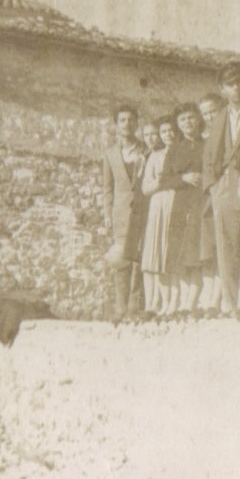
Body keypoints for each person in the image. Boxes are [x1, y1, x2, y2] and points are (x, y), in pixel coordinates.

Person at [203, 62, 240, 318]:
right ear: (222, 89)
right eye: (230, 84)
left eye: (239, 82)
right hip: (223, 182)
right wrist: (212, 185)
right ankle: (229, 300)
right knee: (225, 243)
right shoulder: (220, 117)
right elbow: (209, 153)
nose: (236, 87)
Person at [102, 105, 145, 322]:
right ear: (116, 125)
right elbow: (108, 188)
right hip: (120, 214)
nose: (127, 124)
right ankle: (120, 308)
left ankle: (134, 307)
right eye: (122, 120)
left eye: (130, 119)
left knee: (138, 260)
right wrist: (107, 214)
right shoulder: (110, 154)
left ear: (136, 123)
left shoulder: (145, 150)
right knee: (121, 260)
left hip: (141, 211)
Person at [163, 103, 206, 318]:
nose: (187, 122)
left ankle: (192, 301)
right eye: (182, 120)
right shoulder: (174, 149)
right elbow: (165, 180)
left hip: (201, 200)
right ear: (178, 125)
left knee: (195, 249)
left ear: (199, 119)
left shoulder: (207, 144)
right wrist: (183, 178)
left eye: (191, 117)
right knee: (179, 251)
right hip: (180, 202)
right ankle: (180, 300)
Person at [141, 116, 182, 317]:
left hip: (177, 203)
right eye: (164, 132)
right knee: (156, 254)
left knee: (170, 253)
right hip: (158, 205)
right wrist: (160, 182)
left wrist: (169, 181)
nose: (168, 135)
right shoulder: (155, 156)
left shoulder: (182, 151)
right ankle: (160, 303)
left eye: (171, 130)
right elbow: (145, 188)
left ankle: (175, 302)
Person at [127, 122, 162, 318]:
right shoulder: (142, 157)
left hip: (156, 206)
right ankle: (144, 303)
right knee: (142, 256)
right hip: (142, 209)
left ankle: (156, 303)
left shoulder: (163, 154)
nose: (150, 138)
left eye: (154, 134)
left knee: (156, 255)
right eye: (147, 135)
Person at [196, 93, 225, 317]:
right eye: (205, 114)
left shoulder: (228, 131)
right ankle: (207, 296)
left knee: (222, 246)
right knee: (207, 248)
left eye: (212, 112)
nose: (209, 117)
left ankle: (218, 298)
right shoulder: (203, 137)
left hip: (224, 190)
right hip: (207, 195)